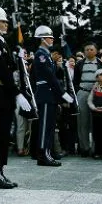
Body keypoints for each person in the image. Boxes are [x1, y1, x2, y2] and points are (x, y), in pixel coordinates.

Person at [0, 5, 32, 187]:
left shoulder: (2, 43)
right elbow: (2, 71)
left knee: (3, 136)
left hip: (5, 93)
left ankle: (0, 171)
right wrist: (17, 93)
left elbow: (9, 68)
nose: (6, 24)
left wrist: (17, 58)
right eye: (3, 21)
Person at [30, 26, 73, 167]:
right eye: (49, 37)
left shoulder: (46, 54)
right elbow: (49, 77)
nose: (52, 40)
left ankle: (47, 153)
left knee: (49, 126)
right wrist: (63, 94)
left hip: (50, 94)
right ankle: (42, 155)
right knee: (44, 127)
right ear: (42, 39)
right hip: (45, 94)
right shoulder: (41, 54)